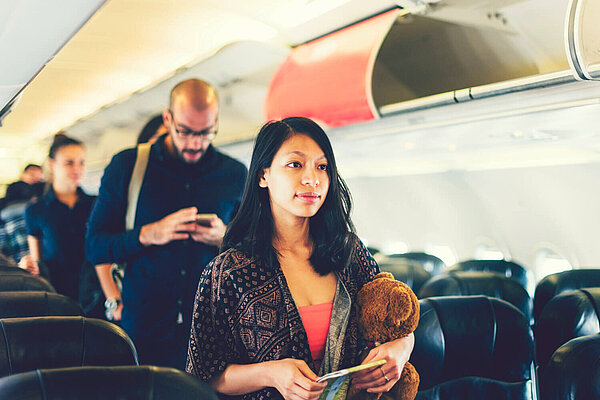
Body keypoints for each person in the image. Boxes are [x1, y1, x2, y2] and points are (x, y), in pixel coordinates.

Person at [186, 117, 414, 400]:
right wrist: (271, 373)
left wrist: (402, 348)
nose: (312, 179)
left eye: (322, 167)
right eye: (295, 165)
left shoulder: (349, 252)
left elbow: (396, 321)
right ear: (263, 175)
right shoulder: (228, 272)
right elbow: (205, 375)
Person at [86, 78, 247, 369]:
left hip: (210, 330)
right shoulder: (128, 166)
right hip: (143, 328)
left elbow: (253, 252)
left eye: (206, 132)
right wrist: (148, 234)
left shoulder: (234, 174)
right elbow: (95, 246)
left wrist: (224, 239)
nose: (195, 143)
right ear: (167, 119)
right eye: (185, 132)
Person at [23, 134, 95, 301]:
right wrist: (28, 266)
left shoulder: (96, 204)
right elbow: (38, 262)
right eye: (69, 163)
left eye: (81, 162)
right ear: (51, 164)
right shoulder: (36, 210)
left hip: (95, 292)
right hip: (57, 294)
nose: (77, 169)